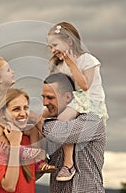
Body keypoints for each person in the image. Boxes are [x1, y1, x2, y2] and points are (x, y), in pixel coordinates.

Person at [45, 22, 108, 181]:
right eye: (50, 47)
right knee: (43, 118)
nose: (52, 50)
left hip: (88, 100)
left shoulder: (87, 59)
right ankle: (42, 155)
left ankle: (68, 163)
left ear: (69, 41)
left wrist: (71, 63)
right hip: (71, 100)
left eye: (55, 45)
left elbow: (84, 86)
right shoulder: (59, 65)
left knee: (62, 120)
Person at [41, 73, 106, 192]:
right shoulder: (50, 125)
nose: (44, 103)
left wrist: (38, 121)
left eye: (50, 97)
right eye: (43, 97)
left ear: (67, 97)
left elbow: (59, 134)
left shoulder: (92, 121)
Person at [0, 88, 36, 193]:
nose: (23, 113)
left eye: (25, 108)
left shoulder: (26, 138)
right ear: (2, 114)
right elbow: (9, 186)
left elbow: (29, 177)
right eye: (16, 109)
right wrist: (15, 144)